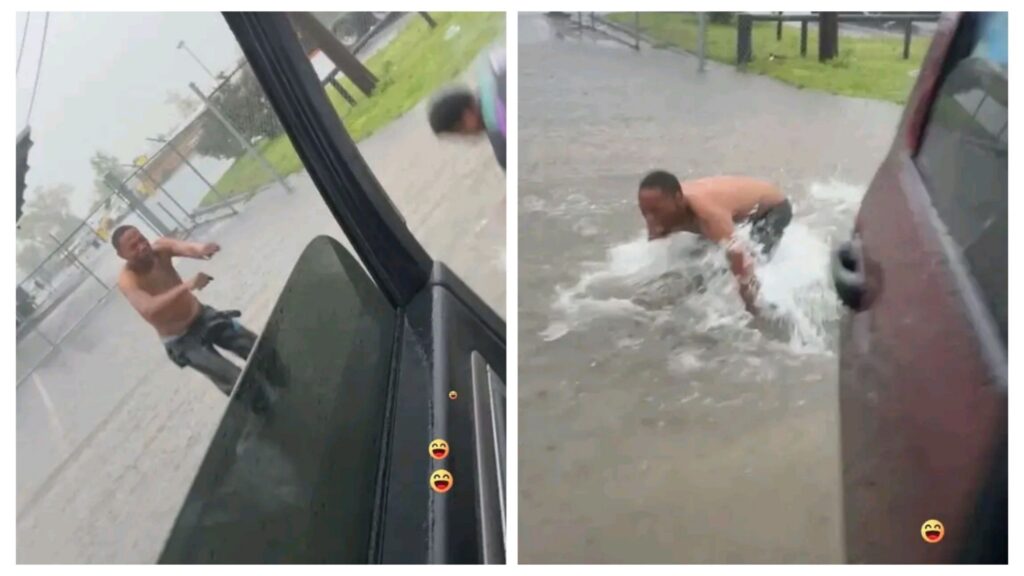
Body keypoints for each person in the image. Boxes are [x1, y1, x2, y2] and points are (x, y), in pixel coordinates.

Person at [112, 225, 258, 396]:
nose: (142, 246)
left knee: (253, 346)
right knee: (235, 380)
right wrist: (187, 286)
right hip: (181, 339)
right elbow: (148, 307)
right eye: (133, 247)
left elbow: (183, 247)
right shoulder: (128, 280)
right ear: (122, 255)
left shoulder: (160, 249)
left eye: (142, 240)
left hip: (201, 315)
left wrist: (202, 249)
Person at [637, 170, 792, 314]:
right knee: (699, 263)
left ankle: (776, 305)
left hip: (772, 210)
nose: (650, 219)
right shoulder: (658, 207)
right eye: (645, 211)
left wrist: (751, 308)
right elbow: (656, 249)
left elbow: (741, 260)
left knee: (750, 262)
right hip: (731, 208)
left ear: (678, 199)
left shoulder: (708, 215)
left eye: (656, 211)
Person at [427, 47, 506, 170]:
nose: (465, 138)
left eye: (459, 131)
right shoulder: (490, 72)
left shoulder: (501, 143)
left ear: (467, 114)